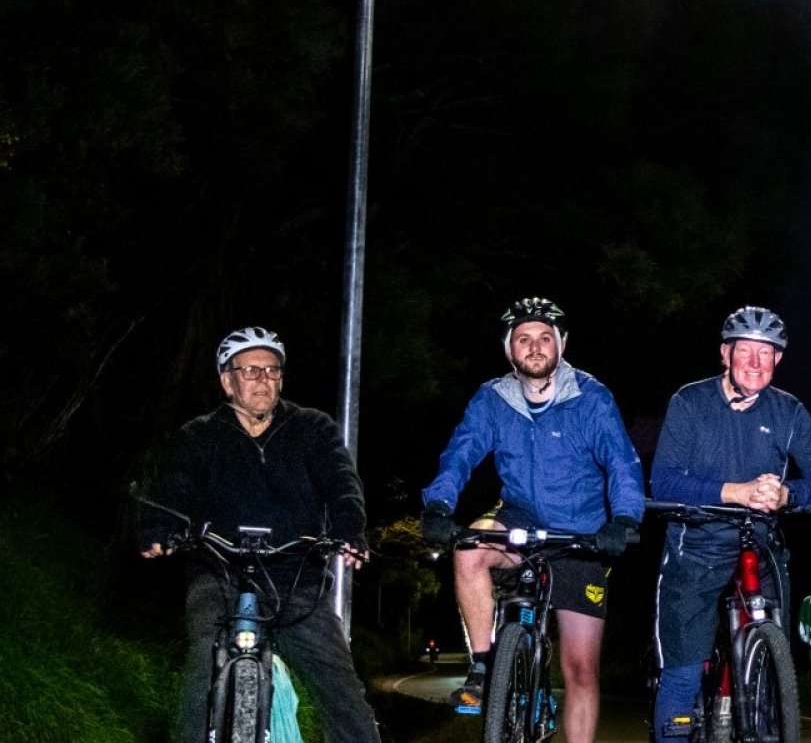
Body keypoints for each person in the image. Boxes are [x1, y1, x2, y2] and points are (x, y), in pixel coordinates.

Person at [421, 297, 647, 743]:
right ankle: (485, 669)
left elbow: (623, 464)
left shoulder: (591, 398)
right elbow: (459, 456)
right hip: (519, 519)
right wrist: (438, 506)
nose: (535, 346)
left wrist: (623, 518)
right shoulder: (492, 399)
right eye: (523, 339)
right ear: (510, 351)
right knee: (469, 549)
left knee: (581, 669)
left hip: (582, 533)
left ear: (561, 346)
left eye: (546, 338)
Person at [139, 327, 381, 743]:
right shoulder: (199, 435)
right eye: (250, 371)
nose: (263, 379)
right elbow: (176, 487)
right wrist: (158, 529)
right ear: (227, 380)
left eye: (272, 370)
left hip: (296, 578)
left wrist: (349, 531)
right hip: (217, 574)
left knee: (340, 687)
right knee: (203, 665)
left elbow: (342, 484)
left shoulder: (312, 428)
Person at [649, 306, 811, 740]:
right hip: (696, 544)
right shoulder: (690, 402)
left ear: (778, 360)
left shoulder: (788, 411)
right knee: (683, 673)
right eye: (745, 351)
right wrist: (735, 492)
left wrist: (787, 493)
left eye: (767, 353)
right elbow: (663, 482)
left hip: (760, 544)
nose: (756, 363)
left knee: (771, 678)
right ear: (725, 354)